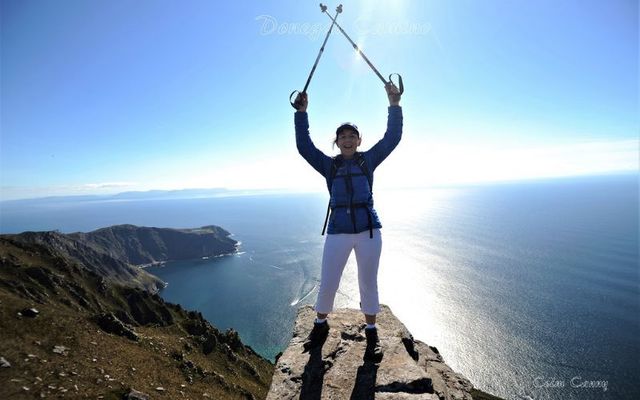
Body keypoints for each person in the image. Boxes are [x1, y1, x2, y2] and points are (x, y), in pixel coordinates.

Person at [293, 83, 402, 362]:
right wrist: (302, 113)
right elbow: (304, 147)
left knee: (368, 282)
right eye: (343, 136)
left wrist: (394, 104)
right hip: (338, 232)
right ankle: (320, 324)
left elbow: (392, 137)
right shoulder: (330, 166)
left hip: (368, 232)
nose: (348, 139)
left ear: (359, 140)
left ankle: (372, 331)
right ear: (337, 142)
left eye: (352, 135)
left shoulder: (369, 160)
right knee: (328, 281)